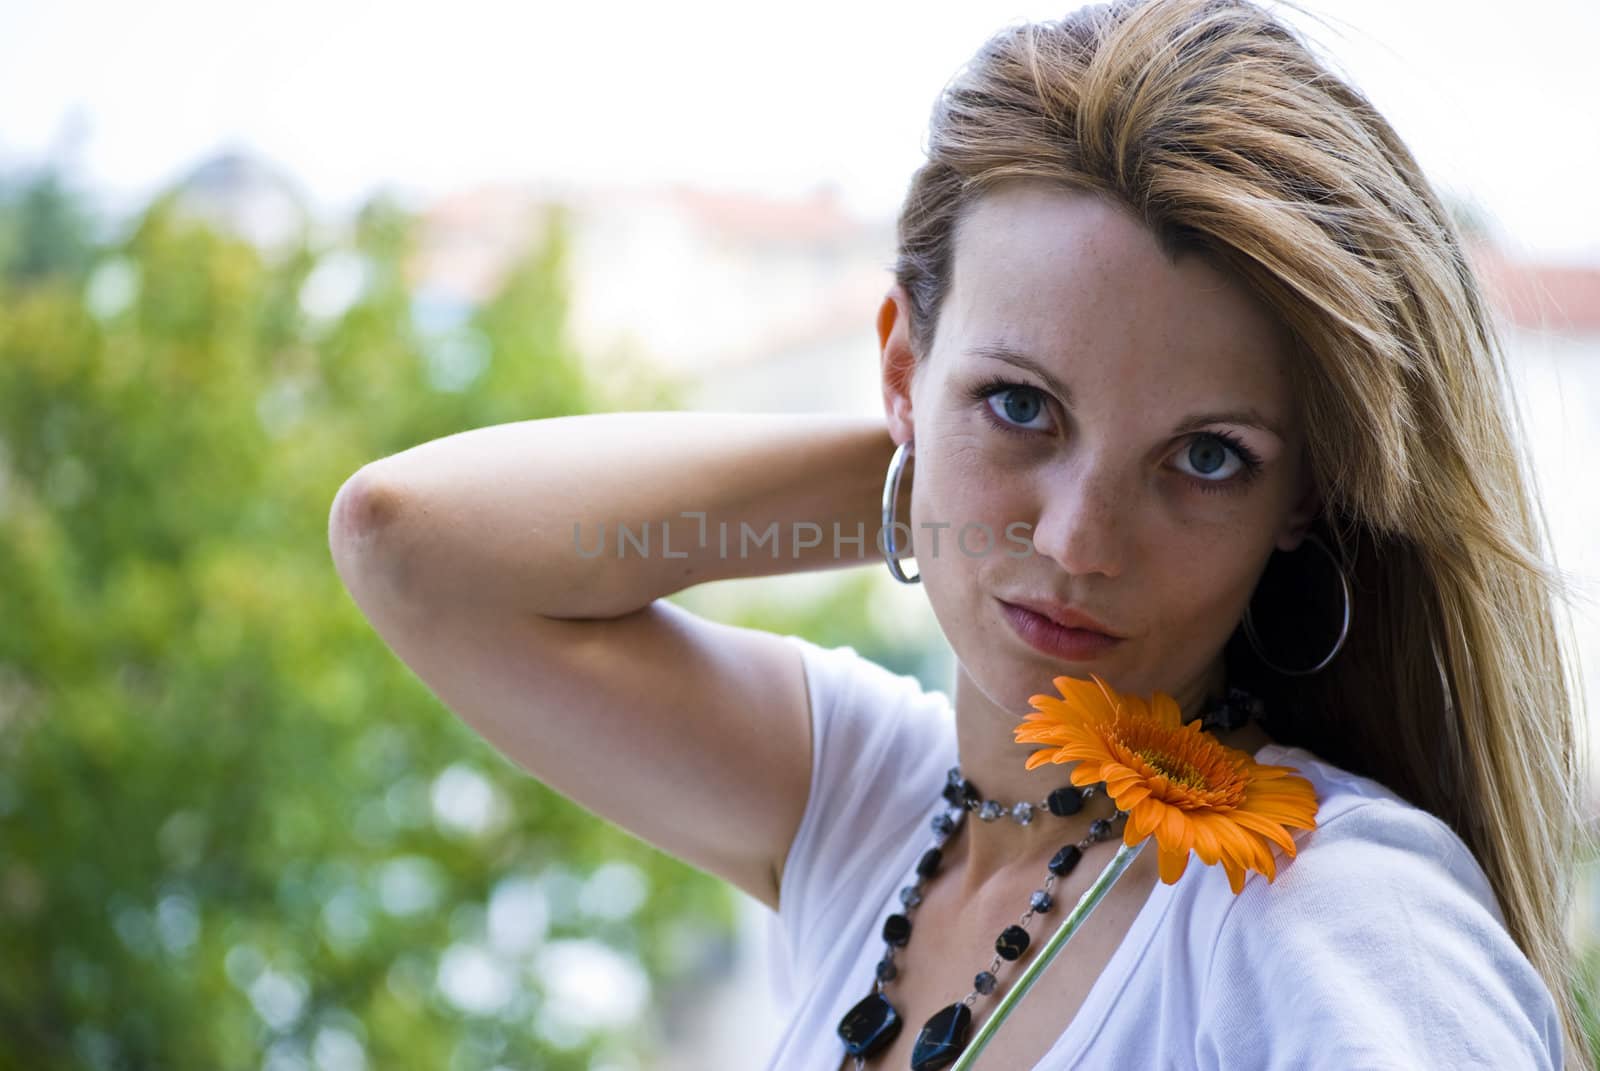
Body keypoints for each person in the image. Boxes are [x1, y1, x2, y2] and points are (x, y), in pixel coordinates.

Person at [326, 0, 1591, 1067]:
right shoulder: (872, 810)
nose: (1080, 540)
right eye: (1021, 404)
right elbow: (412, 542)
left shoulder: (1334, 905)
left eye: (1207, 458)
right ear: (897, 366)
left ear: (1308, 497)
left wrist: (972, 453)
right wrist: (933, 463)